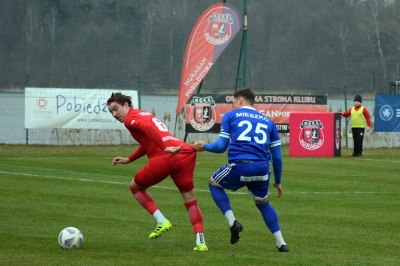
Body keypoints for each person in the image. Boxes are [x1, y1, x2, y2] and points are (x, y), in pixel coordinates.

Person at [107, 92, 207, 251]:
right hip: (184, 152)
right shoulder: (143, 113)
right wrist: (129, 159)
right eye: (111, 111)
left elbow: (147, 129)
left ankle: (161, 221)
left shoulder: (129, 120)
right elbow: (148, 140)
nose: (114, 114)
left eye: (116, 108)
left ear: (126, 104)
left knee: (135, 187)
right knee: (190, 199)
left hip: (166, 155)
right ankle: (200, 242)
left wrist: (164, 147)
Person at [193, 87, 289, 252]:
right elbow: (278, 158)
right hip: (262, 169)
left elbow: (221, 147)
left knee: (214, 183)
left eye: (232, 103)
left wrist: (204, 146)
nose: (231, 107)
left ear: (240, 100)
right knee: (263, 203)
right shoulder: (269, 122)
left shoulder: (231, 116)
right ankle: (281, 243)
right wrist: (278, 182)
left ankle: (232, 222)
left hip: (240, 166)